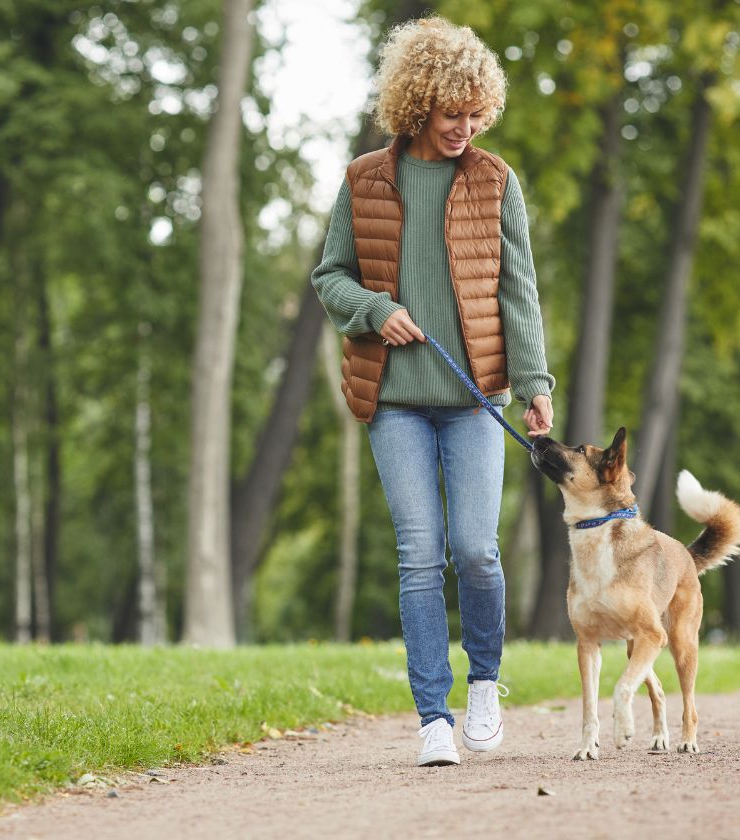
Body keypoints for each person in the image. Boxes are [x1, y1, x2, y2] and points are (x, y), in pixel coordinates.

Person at [311, 16, 555, 767]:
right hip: (394, 400)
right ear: (418, 106)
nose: (467, 127)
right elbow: (329, 276)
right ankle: (432, 719)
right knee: (419, 555)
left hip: (477, 397)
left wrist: (536, 382)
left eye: (478, 114)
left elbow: (519, 290)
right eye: (454, 114)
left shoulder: (495, 181)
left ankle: (485, 682)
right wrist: (375, 310)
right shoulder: (365, 180)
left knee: (476, 551)